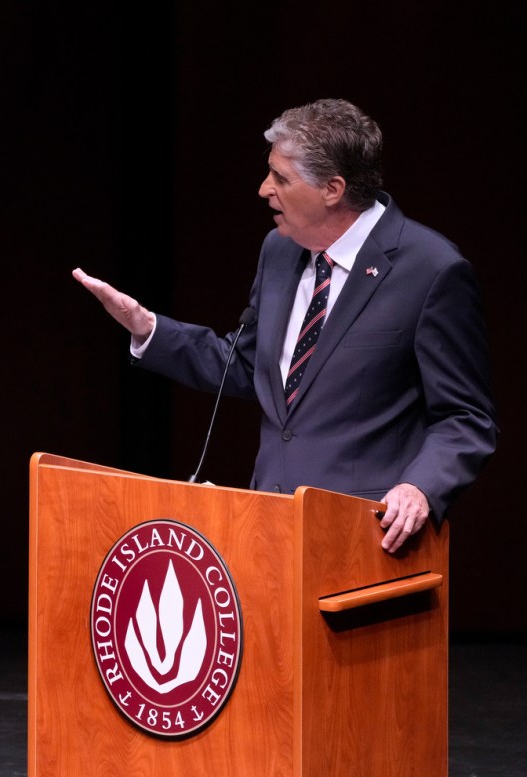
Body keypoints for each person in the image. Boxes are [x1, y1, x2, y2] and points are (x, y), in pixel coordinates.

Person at [73, 98, 495, 554]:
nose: (263, 189)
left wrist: (419, 487)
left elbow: (466, 418)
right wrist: (146, 327)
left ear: (332, 189)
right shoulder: (279, 251)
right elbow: (249, 366)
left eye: (280, 177)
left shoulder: (431, 270)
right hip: (267, 531)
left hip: (367, 541)